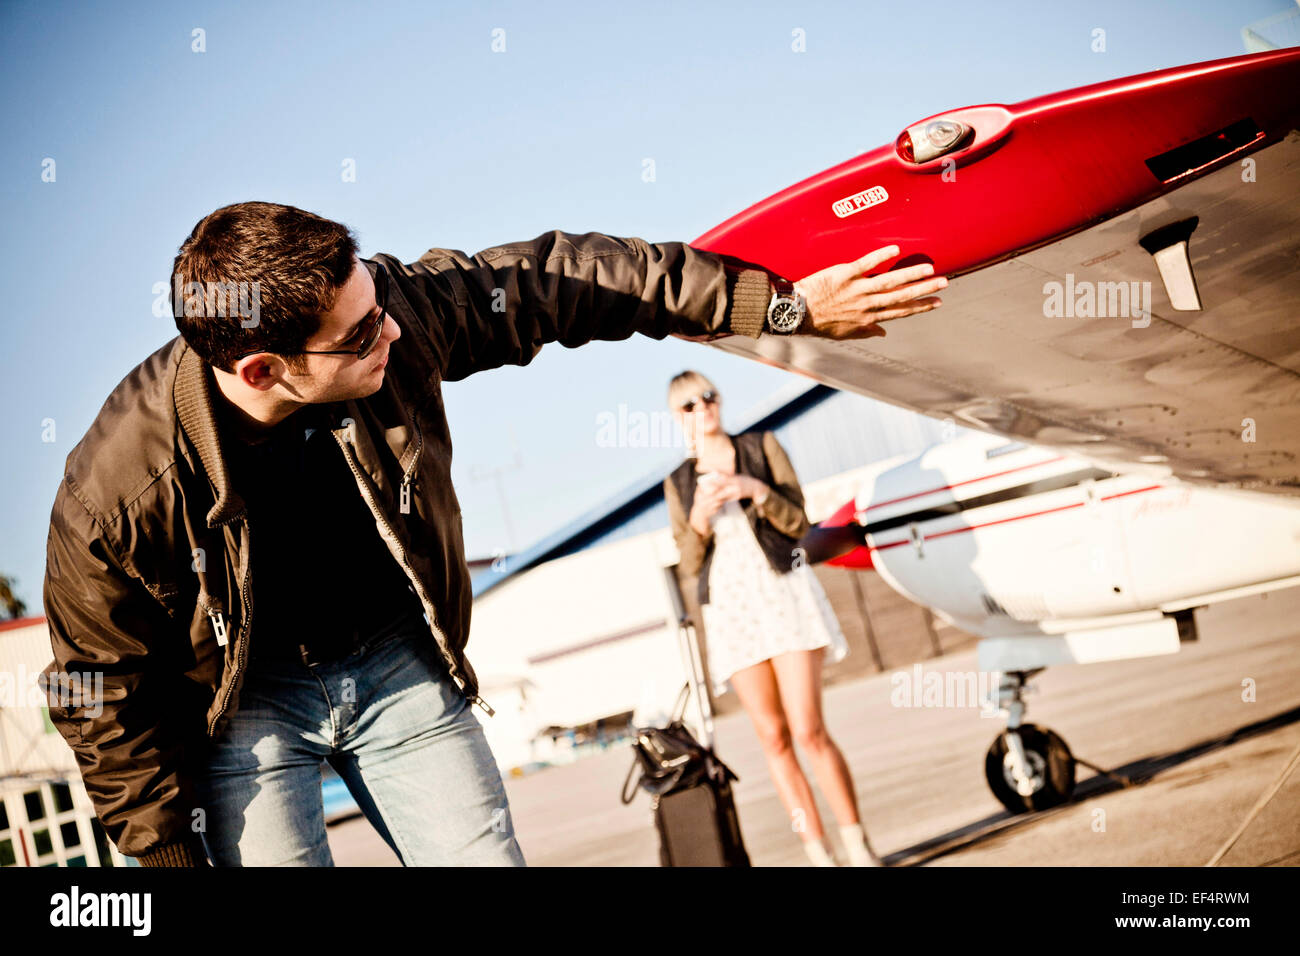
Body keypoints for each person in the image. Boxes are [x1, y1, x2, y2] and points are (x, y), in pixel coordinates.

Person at [40, 200, 946, 866]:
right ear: (264, 367)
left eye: (380, 303)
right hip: (247, 708)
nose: (392, 330)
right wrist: (164, 859)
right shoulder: (117, 491)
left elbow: (573, 278)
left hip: (396, 663)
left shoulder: (396, 311)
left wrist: (773, 309)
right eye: (360, 337)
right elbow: (96, 691)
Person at [663, 372, 883, 867]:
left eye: (709, 397)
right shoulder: (677, 482)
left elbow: (801, 525)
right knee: (773, 738)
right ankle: (817, 851)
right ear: (678, 419)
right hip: (732, 607)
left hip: (783, 590)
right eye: (690, 405)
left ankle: (856, 843)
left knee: (808, 730)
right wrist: (699, 518)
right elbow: (689, 564)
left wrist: (755, 490)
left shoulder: (762, 445)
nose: (704, 408)